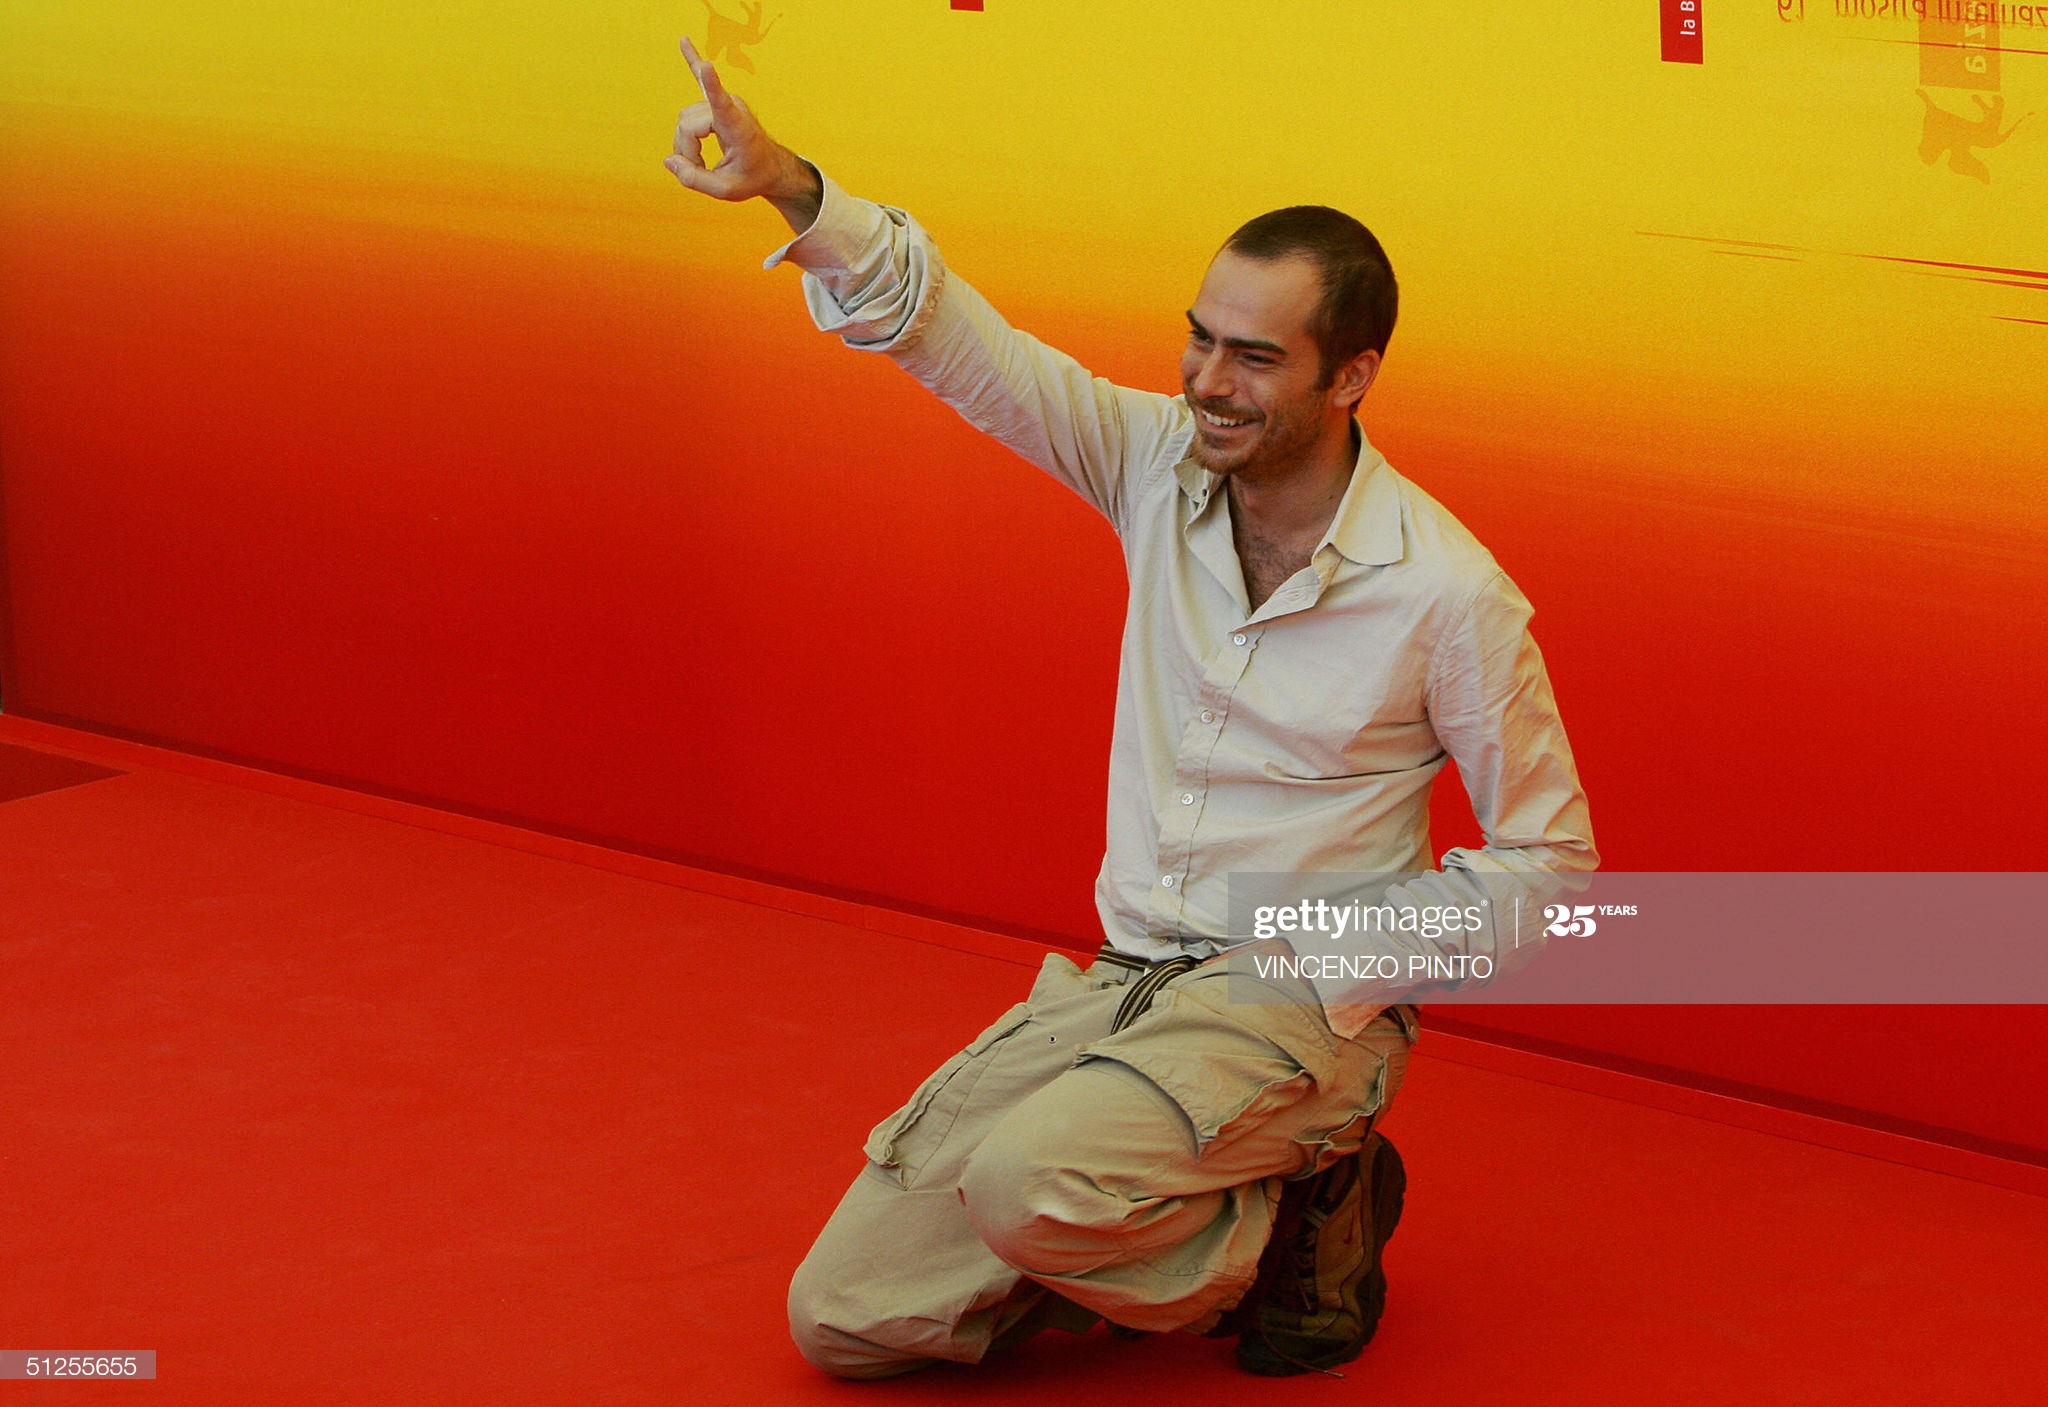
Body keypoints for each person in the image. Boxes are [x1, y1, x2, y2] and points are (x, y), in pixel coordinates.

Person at [662, 36, 1597, 1380]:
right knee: (848, 1320)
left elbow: (1552, 874)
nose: (1208, 381)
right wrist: (797, 192)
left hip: (1295, 1002)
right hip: (1125, 984)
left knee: (1032, 1187)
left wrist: (1335, 951)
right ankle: (1208, 1215)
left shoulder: (1449, 594)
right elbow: (964, 347)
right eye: (1199, 339)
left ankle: (1308, 1176)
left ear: (1351, 377)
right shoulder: (1155, 465)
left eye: (1254, 357)